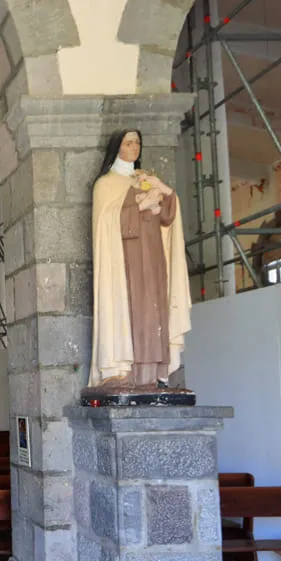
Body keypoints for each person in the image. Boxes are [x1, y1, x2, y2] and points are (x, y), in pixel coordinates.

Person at [88, 129, 191, 389]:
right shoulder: (106, 184)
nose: (134, 147)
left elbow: (167, 216)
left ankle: (152, 373)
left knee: (154, 311)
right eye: (128, 143)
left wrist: (161, 192)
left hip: (153, 255)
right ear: (117, 148)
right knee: (135, 312)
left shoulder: (145, 179)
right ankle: (126, 372)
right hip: (126, 262)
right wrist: (141, 205)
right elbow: (107, 224)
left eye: (137, 143)